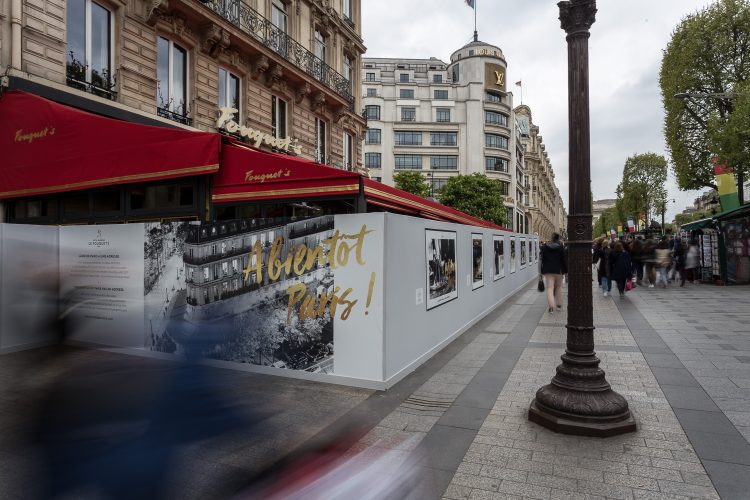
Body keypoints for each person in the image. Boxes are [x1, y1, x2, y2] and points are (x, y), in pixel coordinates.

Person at [540, 233, 567, 313]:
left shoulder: (545, 247)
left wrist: (541, 271)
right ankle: (559, 305)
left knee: (550, 288)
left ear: (551, 238)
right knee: (559, 287)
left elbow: (542, 260)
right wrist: (565, 271)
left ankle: (551, 307)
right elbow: (564, 260)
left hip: (548, 270)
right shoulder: (561, 247)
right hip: (558, 270)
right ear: (558, 238)